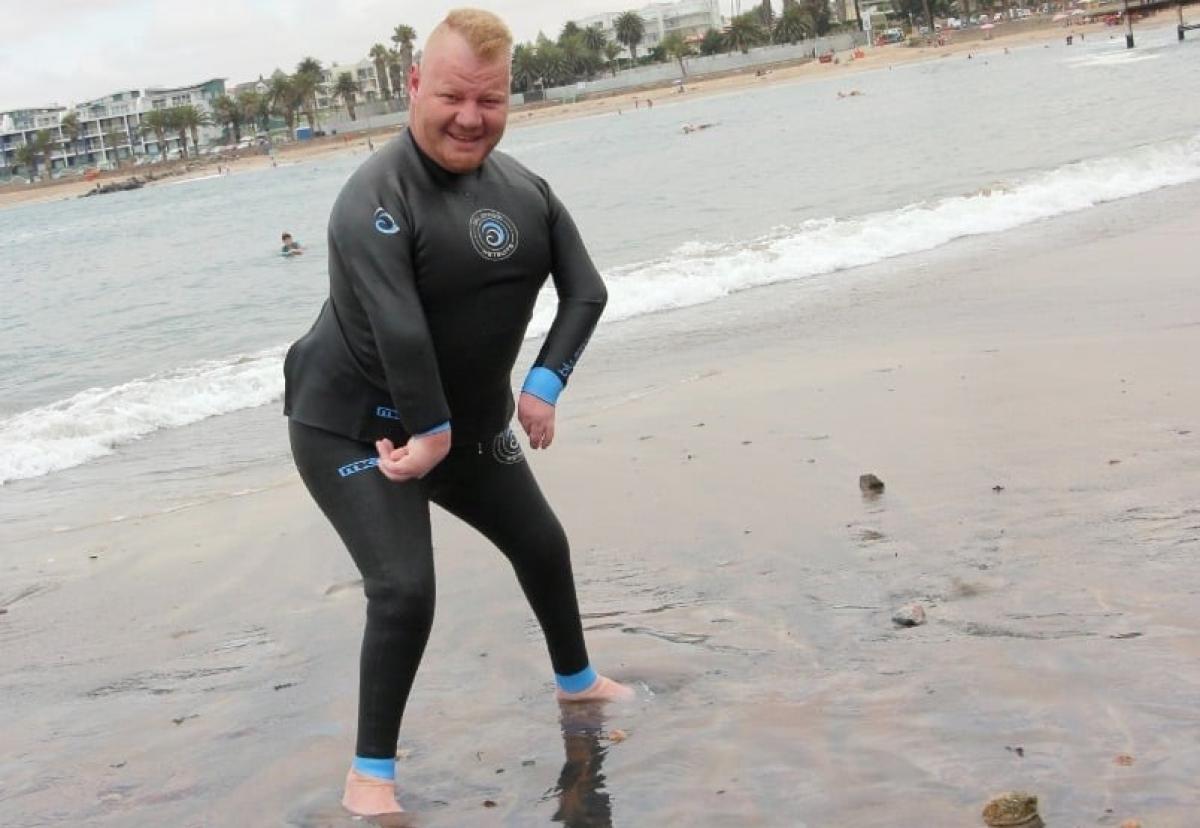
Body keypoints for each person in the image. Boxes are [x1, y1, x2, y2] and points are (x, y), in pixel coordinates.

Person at [282, 8, 633, 818]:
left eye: (491, 100)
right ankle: (370, 779)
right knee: (405, 589)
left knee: (542, 544)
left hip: (463, 426)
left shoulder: (525, 194)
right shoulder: (372, 198)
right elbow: (398, 327)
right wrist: (431, 431)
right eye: (451, 97)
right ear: (413, 86)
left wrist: (544, 383)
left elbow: (587, 289)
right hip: (350, 422)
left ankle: (578, 688)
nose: (471, 118)